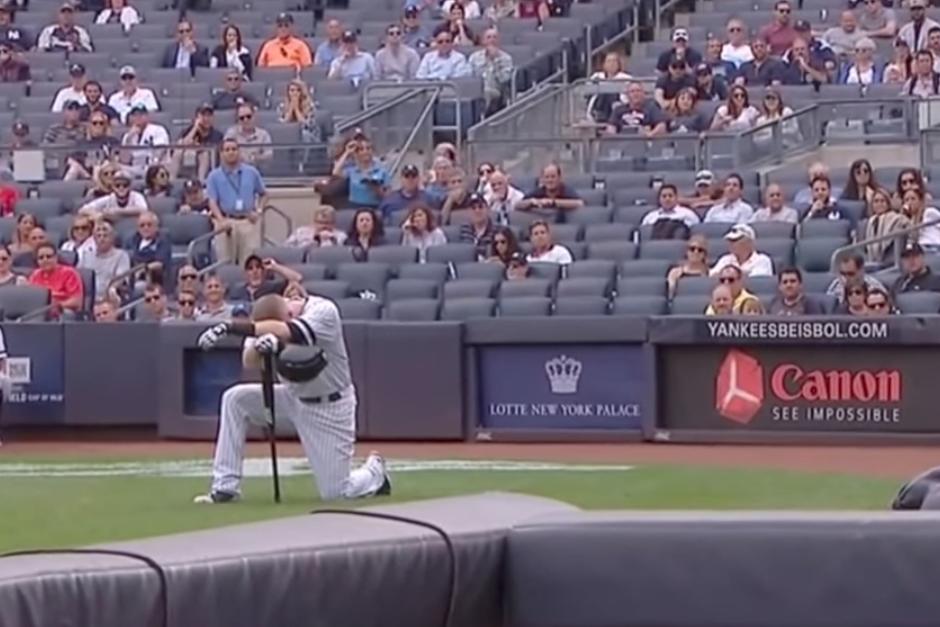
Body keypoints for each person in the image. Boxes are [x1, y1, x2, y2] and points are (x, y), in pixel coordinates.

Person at [193, 292, 391, 503]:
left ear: (289, 312)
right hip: (292, 398)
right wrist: (261, 349)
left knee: (337, 492)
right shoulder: (264, 318)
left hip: (329, 406)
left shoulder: (324, 311)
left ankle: (374, 472)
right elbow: (249, 361)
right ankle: (225, 488)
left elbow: (288, 332)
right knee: (235, 399)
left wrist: (231, 327)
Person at [206, 138, 268, 265]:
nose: (231, 152)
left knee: (249, 261)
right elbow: (212, 201)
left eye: (234, 149)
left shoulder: (251, 172)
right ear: (221, 153)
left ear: (239, 152)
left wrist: (259, 211)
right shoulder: (214, 176)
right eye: (227, 150)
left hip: (247, 221)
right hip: (226, 222)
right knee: (225, 261)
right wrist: (221, 220)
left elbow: (264, 194)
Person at [28, 241, 84, 320]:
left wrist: (58, 305)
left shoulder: (69, 273)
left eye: (48, 256)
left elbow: (77, 301)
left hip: (62, 312)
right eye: (41, 257)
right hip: (40, 312)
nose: (45, 260)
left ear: (56, 258)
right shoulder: (35, 275)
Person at [78, 219, 130, 298]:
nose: (102, 239)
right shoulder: (86, 255)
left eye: (105, 236)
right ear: (94, 239)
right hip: (86, 296)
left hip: (109, 296)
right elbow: (78, 275)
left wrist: (112, 289)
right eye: (98, 236)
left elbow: (120, 278)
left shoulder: (121, 255)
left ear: (112, 238)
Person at [333, 137, 388, 210]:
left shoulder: (381, 170)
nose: (365, 152)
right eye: (361, 149)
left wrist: (376, 188)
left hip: (375, 206)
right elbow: (336, 172)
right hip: (355, 206)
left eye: (368, 148)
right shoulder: (352, 170)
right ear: (356, 153)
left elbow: (388, 195)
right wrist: (347, 152)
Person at [469, 28, 514, 114]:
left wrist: (494, 61)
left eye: (494, 37)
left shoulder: (506, 58)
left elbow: (504, 80)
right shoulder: (474, 57)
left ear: (499, 41)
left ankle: (482, 117)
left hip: (498, 91)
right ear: (483, 41)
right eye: (489, 37)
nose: (492, 40)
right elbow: (469, 76)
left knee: (486, 93)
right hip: (477, 89)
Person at [516, 163, 584, 218]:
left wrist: (553, 202)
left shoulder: (565, 189)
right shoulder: (539, 191)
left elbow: (580, 203)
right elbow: (518, 205)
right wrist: (532, 202)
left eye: (553, 177)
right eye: (547, 177)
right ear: (542, 179)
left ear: (560, 178)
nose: (550, 180)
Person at [119, 105, 170, 178]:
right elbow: (124, 160)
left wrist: (152, 164)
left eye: (141, 115)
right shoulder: (128, 135)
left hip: (156, 167)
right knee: (119, 169)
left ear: (147, 117)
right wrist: (129, 138)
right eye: (135, 115)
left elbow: (160, 151)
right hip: (135, 168)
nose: (138, 118)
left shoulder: (158, 130)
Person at [865, 187, 909, 266]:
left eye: (882, 201)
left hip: (890, 259)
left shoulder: (897, 219)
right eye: (876, 201)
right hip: (873, 260)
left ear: (888, 203)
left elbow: (907, 224)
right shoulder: (871, 222)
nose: (879, 204)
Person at [77, 170, 148, 219]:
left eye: (125, 185)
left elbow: (143, 209)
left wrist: (117, 211)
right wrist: (98, 215)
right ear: (113, 187)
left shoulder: (136, 196)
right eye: (117, 185)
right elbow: (83, 209)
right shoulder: (110, 198)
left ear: (130, 186)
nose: (121, 188)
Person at [586, 52, 631, 122]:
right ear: (604, 65)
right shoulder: (596, 76)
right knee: (604, 91)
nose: (611, 64)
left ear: (619, 64)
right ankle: (600, 115)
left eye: (614, 61)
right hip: (598, 105)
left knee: (610, 92)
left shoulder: (626, 78)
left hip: (618, 105)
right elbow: (587, 91)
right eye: (609, 61)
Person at [458, 193, 497, 260]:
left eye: (480, 207)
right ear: (468, 211)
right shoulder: (464, 229)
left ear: (487, 209)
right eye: (473, 208)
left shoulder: (497, 230)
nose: (477, 211)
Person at [901, 186, 940, 251]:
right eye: (907, 200)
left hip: (933, 246)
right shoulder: (908, 221)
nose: (910, 202)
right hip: (919, 250)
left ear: (920, 201)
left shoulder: (929, 212)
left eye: (913, 199)